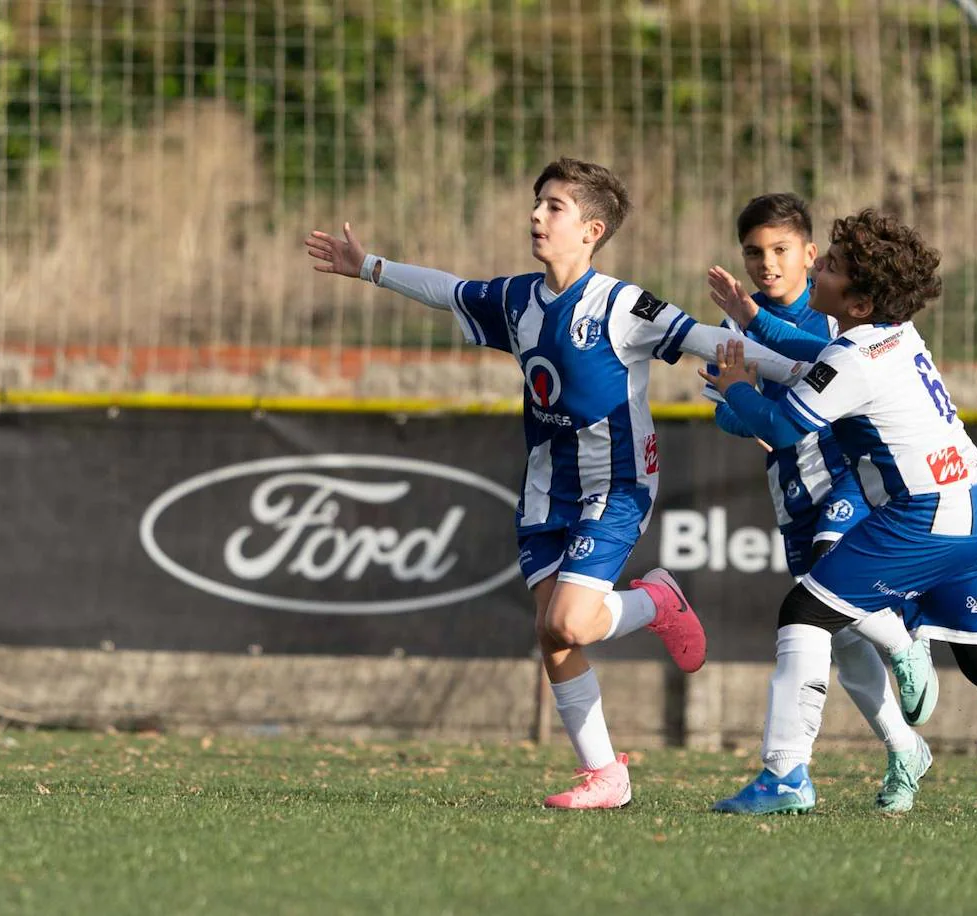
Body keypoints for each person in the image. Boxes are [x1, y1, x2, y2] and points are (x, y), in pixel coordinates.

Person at [306, 157, 810, 809]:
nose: (536, 216)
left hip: (618, 484)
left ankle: (656, 602)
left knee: (571, 622)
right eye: (538, 203)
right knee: (551, 632)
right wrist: (370, 266)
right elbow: (449, 290)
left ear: (592, 231)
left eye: (554, 207)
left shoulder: (623, 305)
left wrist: (810, 371)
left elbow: (707, 339)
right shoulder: (519, 299)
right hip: (545, 490)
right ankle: (606, 775)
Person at [701, 207, 977, 820]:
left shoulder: (854, 358)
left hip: (923, 515)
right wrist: (753, 322)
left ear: (856, 301)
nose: (818, 269)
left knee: (804, 610)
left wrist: (735, 386)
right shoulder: (894, 333)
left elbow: (779, 425)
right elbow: (811, 347)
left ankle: (785, 775)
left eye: (829, 265)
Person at [704, 193, 927, 814]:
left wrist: (757, 393)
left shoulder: (839, 312)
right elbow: (728, 412)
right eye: (754, 252)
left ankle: (905, 643)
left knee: (833, 588)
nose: (766, 263)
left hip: (849, 478)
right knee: (840, 636)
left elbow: (823, 380)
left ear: (811, 255)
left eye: (780, 250)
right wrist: (738, 404)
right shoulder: (733, 326)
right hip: (792, 489)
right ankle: (904, 747)